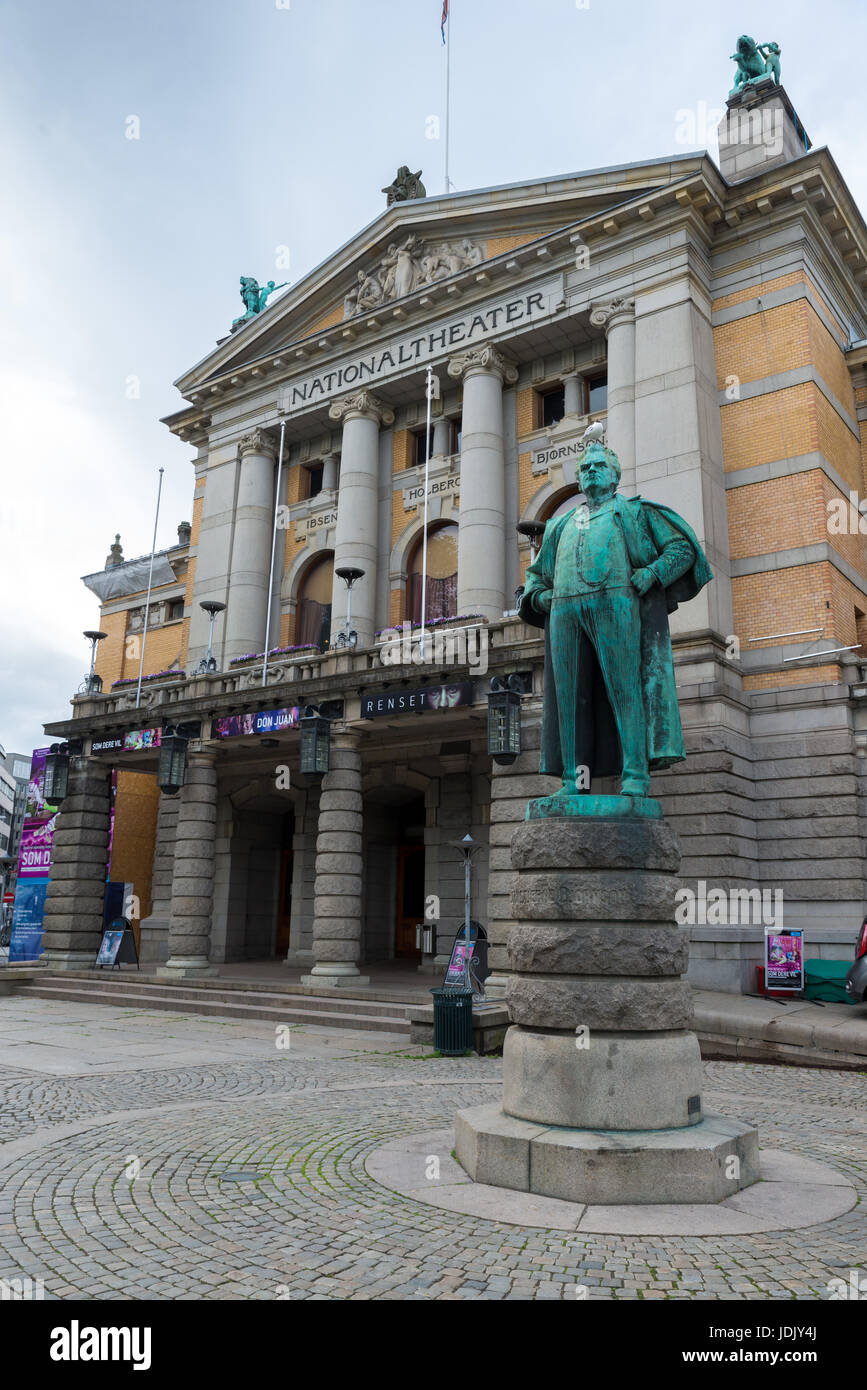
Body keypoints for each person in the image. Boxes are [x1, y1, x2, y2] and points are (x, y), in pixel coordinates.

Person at [519, 432, 712, 799]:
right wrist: (541, 598)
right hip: (565, 612)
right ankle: (573, 783)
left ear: (614, 475)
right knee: (570, 699)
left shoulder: (635, 512)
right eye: (586, 467)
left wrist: (653, 573)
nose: (592, 472)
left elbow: (683, 549)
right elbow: (536, 575)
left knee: (625, 691)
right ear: (579, 477)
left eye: (599, 466)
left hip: (618, 604)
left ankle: (635, 773)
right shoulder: (559, 525)